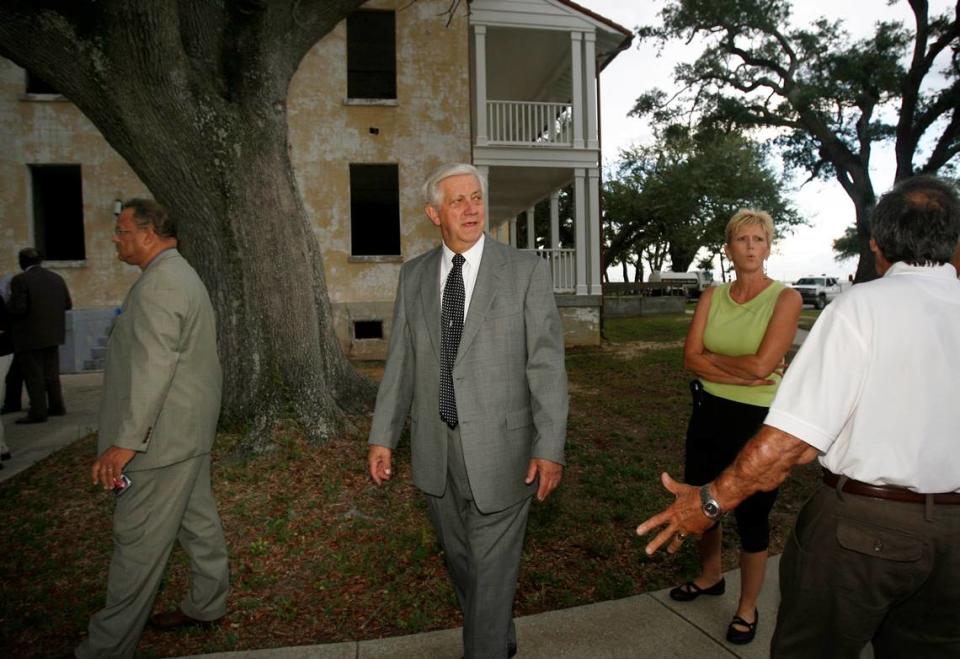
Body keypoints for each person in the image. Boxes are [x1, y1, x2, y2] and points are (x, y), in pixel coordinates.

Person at [636, 175, 960, 658]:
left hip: (864, 531)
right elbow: (701, 359)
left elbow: (791, 442)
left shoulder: (861, 308)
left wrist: (707, 503)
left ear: (877, 242)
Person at [368, 163, 568, 659]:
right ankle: (497, 633)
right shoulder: (414, 276)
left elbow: (546, 367)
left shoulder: (524, 271)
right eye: (457, 200)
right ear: (434, 213)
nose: (471, 207)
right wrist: (382, 436)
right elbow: (402, 363)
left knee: (492, 566)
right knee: (465, 564)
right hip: (436, 450)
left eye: (476, 197)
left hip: (505, 450)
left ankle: (485, 647)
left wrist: (550, 447)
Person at [76, 199, 229, 659]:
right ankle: (206, 603)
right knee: (196, 522)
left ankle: (105, 647)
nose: (115, 239)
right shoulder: (177, 275)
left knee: (137, 543)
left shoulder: (161, 285)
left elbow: (152, 370)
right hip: (185, 435)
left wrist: (125, 444)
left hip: (159, 442)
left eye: (122, 231)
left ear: (148, 234)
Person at [670, 209, 801, 644]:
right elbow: (690, 357)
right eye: (741, 239)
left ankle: (747, 608)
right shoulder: (712, 295)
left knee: (752, 515)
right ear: (728, 249)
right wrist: (742, 371)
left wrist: (715, 361)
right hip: (707, 411)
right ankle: (711, 577)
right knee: (701, 499)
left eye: (758, 239)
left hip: (757, 422)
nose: (750, 246)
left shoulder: (786, 299)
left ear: (768, 247)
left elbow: (765, 365)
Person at [7, 247, 72, 424]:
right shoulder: (56, 278)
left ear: (22, 261)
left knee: (34, 375)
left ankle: (38, 411)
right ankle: (57, 406)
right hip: (53, 333)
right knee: (51, 373)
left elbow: (19, 308)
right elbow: (67, 304)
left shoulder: (20, 280)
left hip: (29, 335)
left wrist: (7, 308)